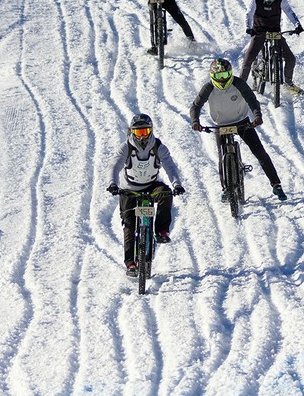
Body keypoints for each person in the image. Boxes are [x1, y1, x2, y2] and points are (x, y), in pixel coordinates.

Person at [190, 58, 288, 202]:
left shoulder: (238, 83)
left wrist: (257, 116)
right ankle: (225, 188)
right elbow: (195, 107)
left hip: (242, 123)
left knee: (260, 152)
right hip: (221, 126)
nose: (222, 79)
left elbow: (252, 100)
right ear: (212, 76)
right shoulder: (208, 88)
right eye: (219, 76)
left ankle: (276, 184)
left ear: (231, 73)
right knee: (222, 157)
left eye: (225, 75)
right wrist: (195, 121)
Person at [107, 113, 185, 277]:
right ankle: (130, 263)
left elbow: (170, 166)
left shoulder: (158, 147)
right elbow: (114, 165)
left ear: (150, 131)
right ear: (131, 132)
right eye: (138, 132)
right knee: (129, 224)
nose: (142, 136)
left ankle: (161, 231)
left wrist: (176, 184)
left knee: (166, 194)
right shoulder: (126, 148)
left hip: (151, 186)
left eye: (145, 132)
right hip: (129, 189)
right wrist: (112, 184)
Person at [239, 0, 304, 95]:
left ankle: (288, 83)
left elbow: (289, 12)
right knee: (248, 59)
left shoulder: (280, 0)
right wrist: (249, 28)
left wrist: (297, 25)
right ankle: (240, 87)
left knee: (290, 59)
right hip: (259, 32)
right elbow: (249, 13)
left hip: (275, 33)